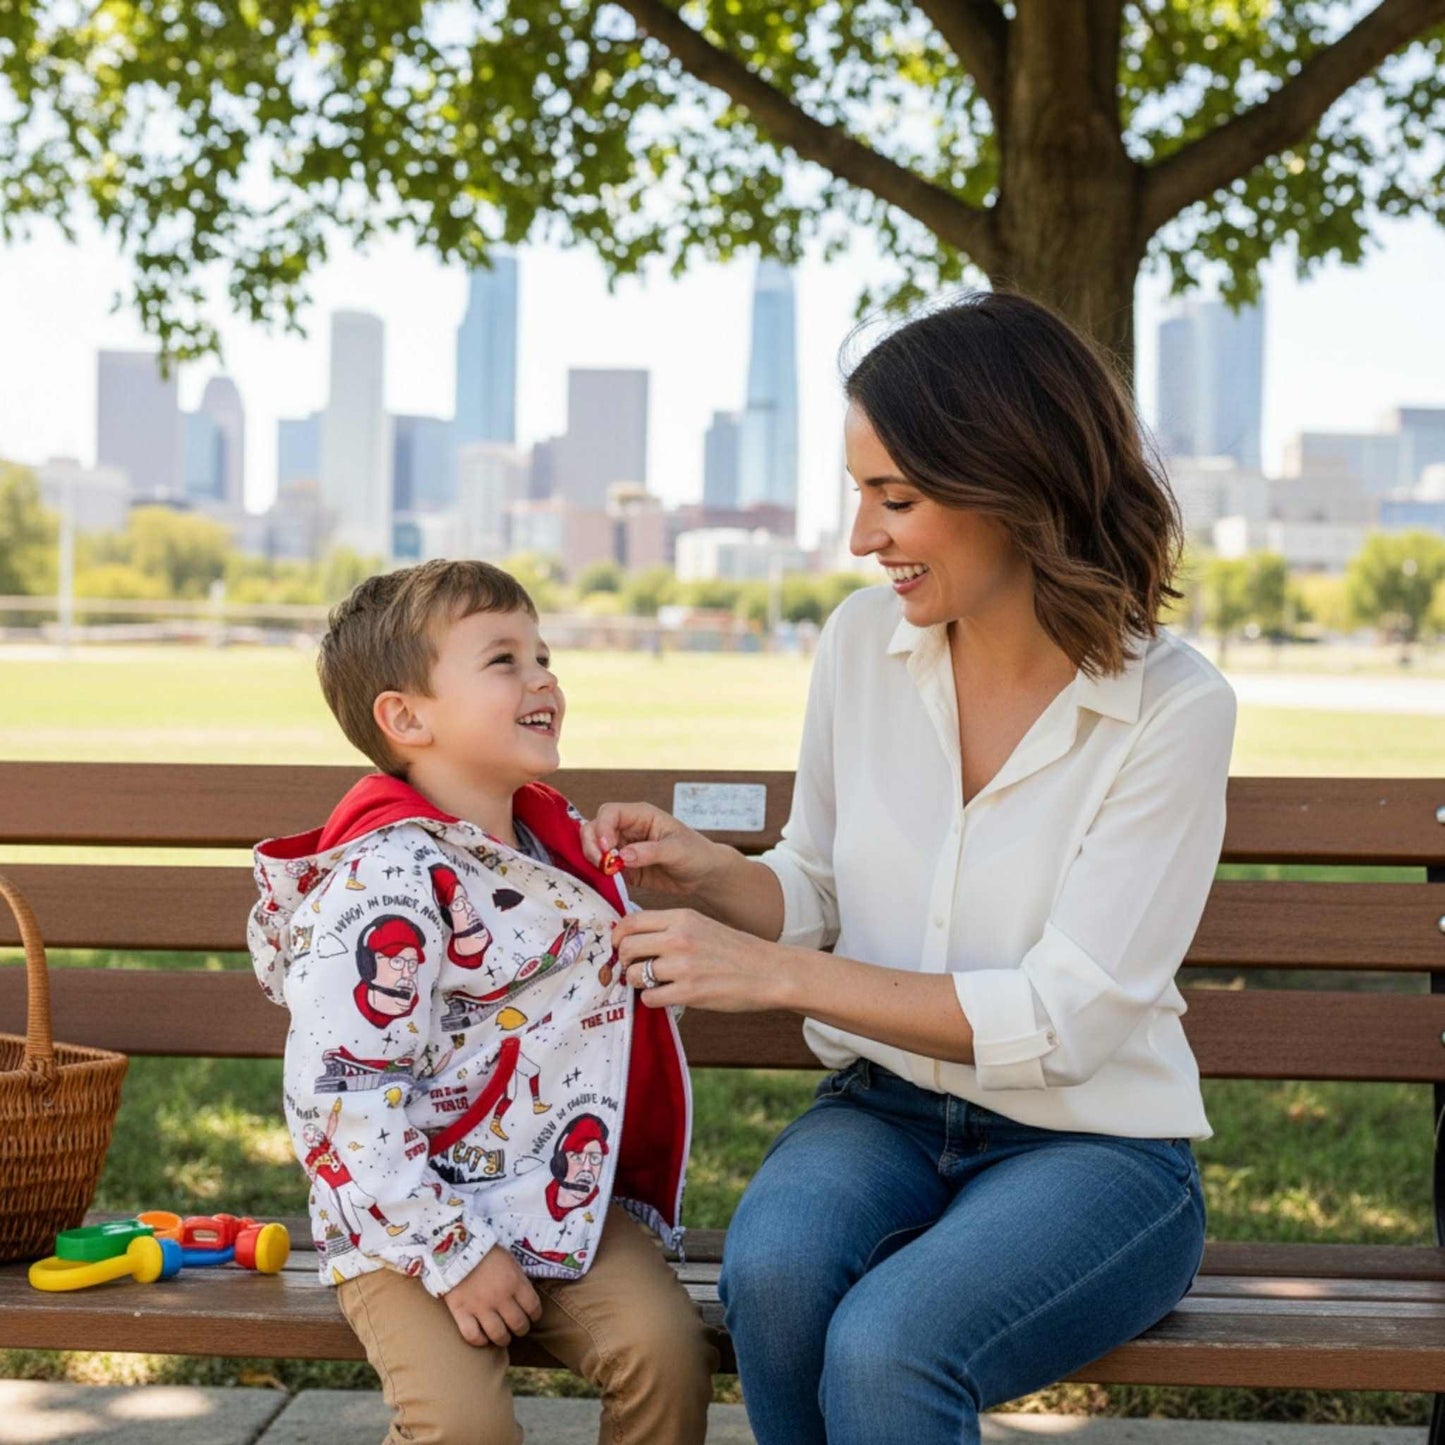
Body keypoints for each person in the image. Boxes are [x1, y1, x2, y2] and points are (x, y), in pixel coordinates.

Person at [584, 292, 1236, 1445]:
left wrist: (775, 976)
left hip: (1096, 1146)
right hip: (880, 1109)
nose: (860, 537)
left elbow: (1065, 1019)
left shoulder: (1171, 708)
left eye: (895, 499)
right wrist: (710, 872)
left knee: (889, 1348)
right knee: (775, 1278)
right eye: (859, 495)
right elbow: (818, 887)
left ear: (1015, 486)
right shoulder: (858, 643)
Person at [248, 559, 713, 1445]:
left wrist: (644, 943)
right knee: (463, 1426)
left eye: (543, 656)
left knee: (664, 1353)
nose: (543, 679)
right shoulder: (383, 882)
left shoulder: (557, 856)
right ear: (406, 717)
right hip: (400, 1216)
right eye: (503, 660)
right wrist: (454, 1251)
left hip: (552, 1190)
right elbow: (339, 1103)